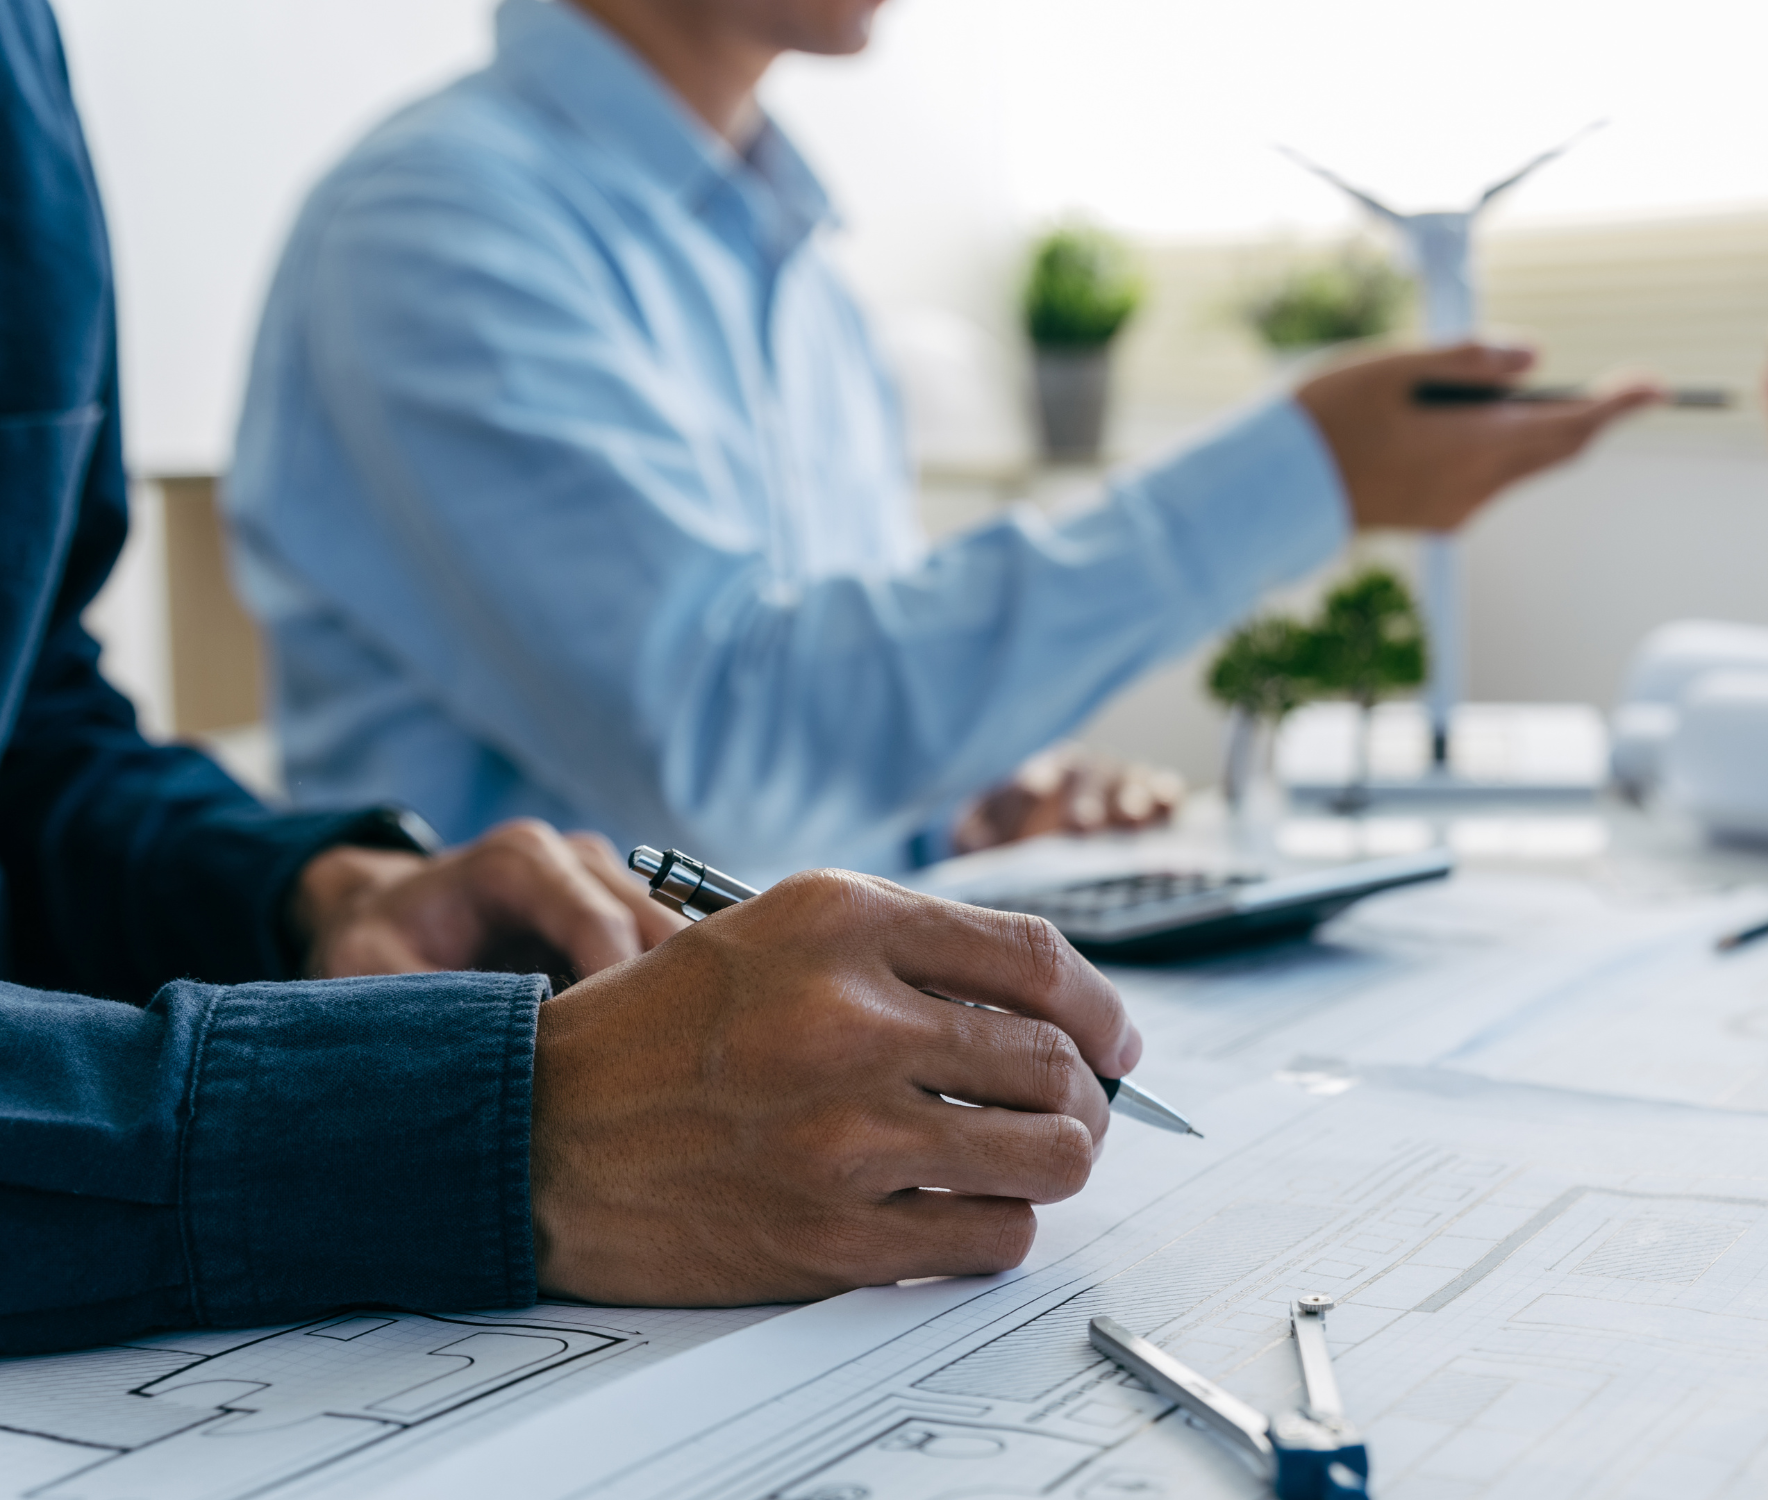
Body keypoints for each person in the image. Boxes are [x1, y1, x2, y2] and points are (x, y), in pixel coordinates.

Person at [2, 0, 1163, 1355]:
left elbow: (32, 732)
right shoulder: (433, 211)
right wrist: (484, 1127)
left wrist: (300, 899)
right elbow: (733, 726)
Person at [221, 0, 1652, 882]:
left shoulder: (814, 293)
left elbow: (811, 735)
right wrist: (1305, 475)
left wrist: (953, 817)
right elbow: (729, 744)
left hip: (788, 1084)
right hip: (549, 1137)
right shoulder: (432, 224)